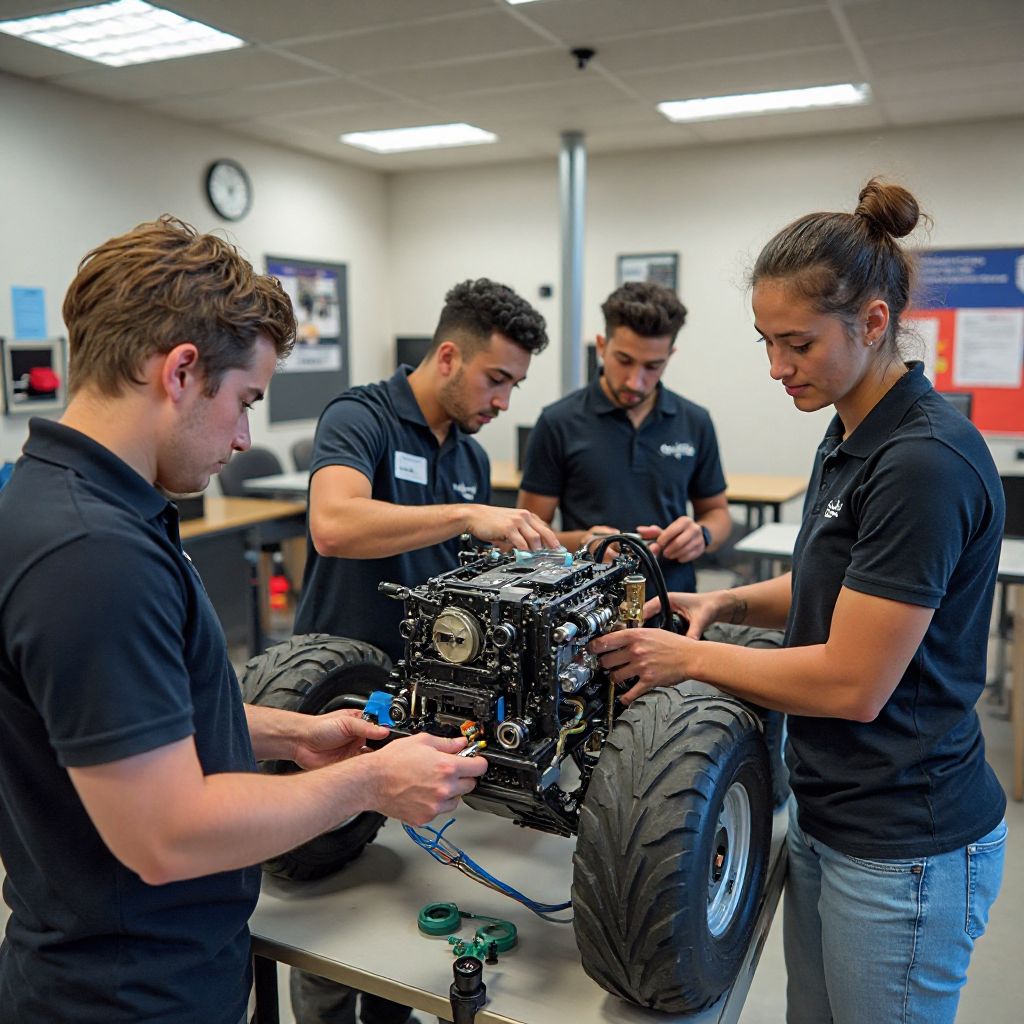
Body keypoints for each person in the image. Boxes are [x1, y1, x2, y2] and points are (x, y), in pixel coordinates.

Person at [0, 217, 488, 1024]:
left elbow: (133, 718)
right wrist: (368, 782)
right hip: (131, 996)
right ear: (181, 371)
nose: (243, 437)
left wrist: (295, 736)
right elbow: (168, 835)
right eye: (244, 401)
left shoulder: (62, 502)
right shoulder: (94, 554)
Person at [589, 180, 1007, 1024]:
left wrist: (689, 658)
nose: (777, 368)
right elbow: (835, 586)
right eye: (767, 342)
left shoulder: (923, 463)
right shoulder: (850, 430)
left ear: (875, 322)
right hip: (827, 812)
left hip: (903, 843)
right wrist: (723, 604)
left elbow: (854, 682)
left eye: (798, 343)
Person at [290, 277, 557, 1024]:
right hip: (341, 696)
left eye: (515, 385)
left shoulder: (468, 455)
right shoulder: (361, 416)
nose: (504, 400)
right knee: (324, 911)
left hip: (427, 704)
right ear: (447, 357)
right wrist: (468, 514)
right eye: (496, 378)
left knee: (396, 908)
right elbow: (334, 525)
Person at [517, 280, 731, 593]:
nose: (635, 381)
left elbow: (717, 513)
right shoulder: (557, 422)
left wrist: (702, 535)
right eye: (624, 360)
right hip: (584, 604)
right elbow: (527, 538)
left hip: (673, 600)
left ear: (670, 355)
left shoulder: (695, 422)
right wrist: (584, 543)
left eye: (653, 366)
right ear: (602, 346)